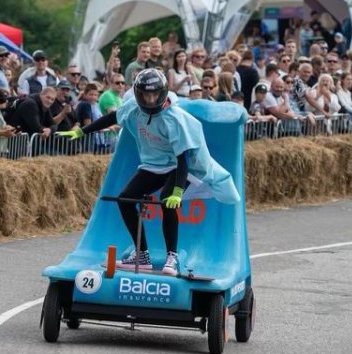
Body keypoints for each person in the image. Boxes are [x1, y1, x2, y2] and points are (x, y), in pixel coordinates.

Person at [56, 69, 240, 275]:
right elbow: (112, 118)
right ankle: (142, 255)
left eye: (154, 94)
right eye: (145, 95)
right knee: (125, 199)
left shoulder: (175, 119)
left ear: (162, 93)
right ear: (138, 94)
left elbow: (183, 159)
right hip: (153, 165)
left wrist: (178, 192)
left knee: (166, 201)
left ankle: (172, 257)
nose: (150, 99)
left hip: (179, 167)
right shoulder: (134, 108)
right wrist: (82, 131)